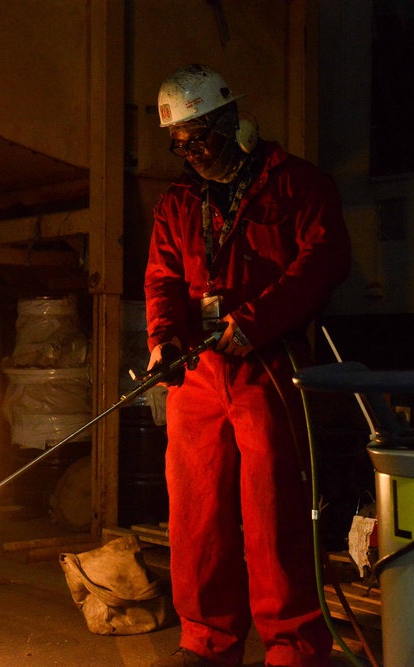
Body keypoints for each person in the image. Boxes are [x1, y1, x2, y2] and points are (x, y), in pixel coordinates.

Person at [145, 64, 352, 667]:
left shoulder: (298, 185)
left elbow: (323, 260)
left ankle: (292, 648)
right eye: (181, 145)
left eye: (201, 140)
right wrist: (163, 339)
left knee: (274, 514)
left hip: (269, 365)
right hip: (199, 372)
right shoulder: (177, 201)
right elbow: (162, 278)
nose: (193, 154)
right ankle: (208, 641)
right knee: (196, 513)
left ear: (233, 122)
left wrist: (258, 320)